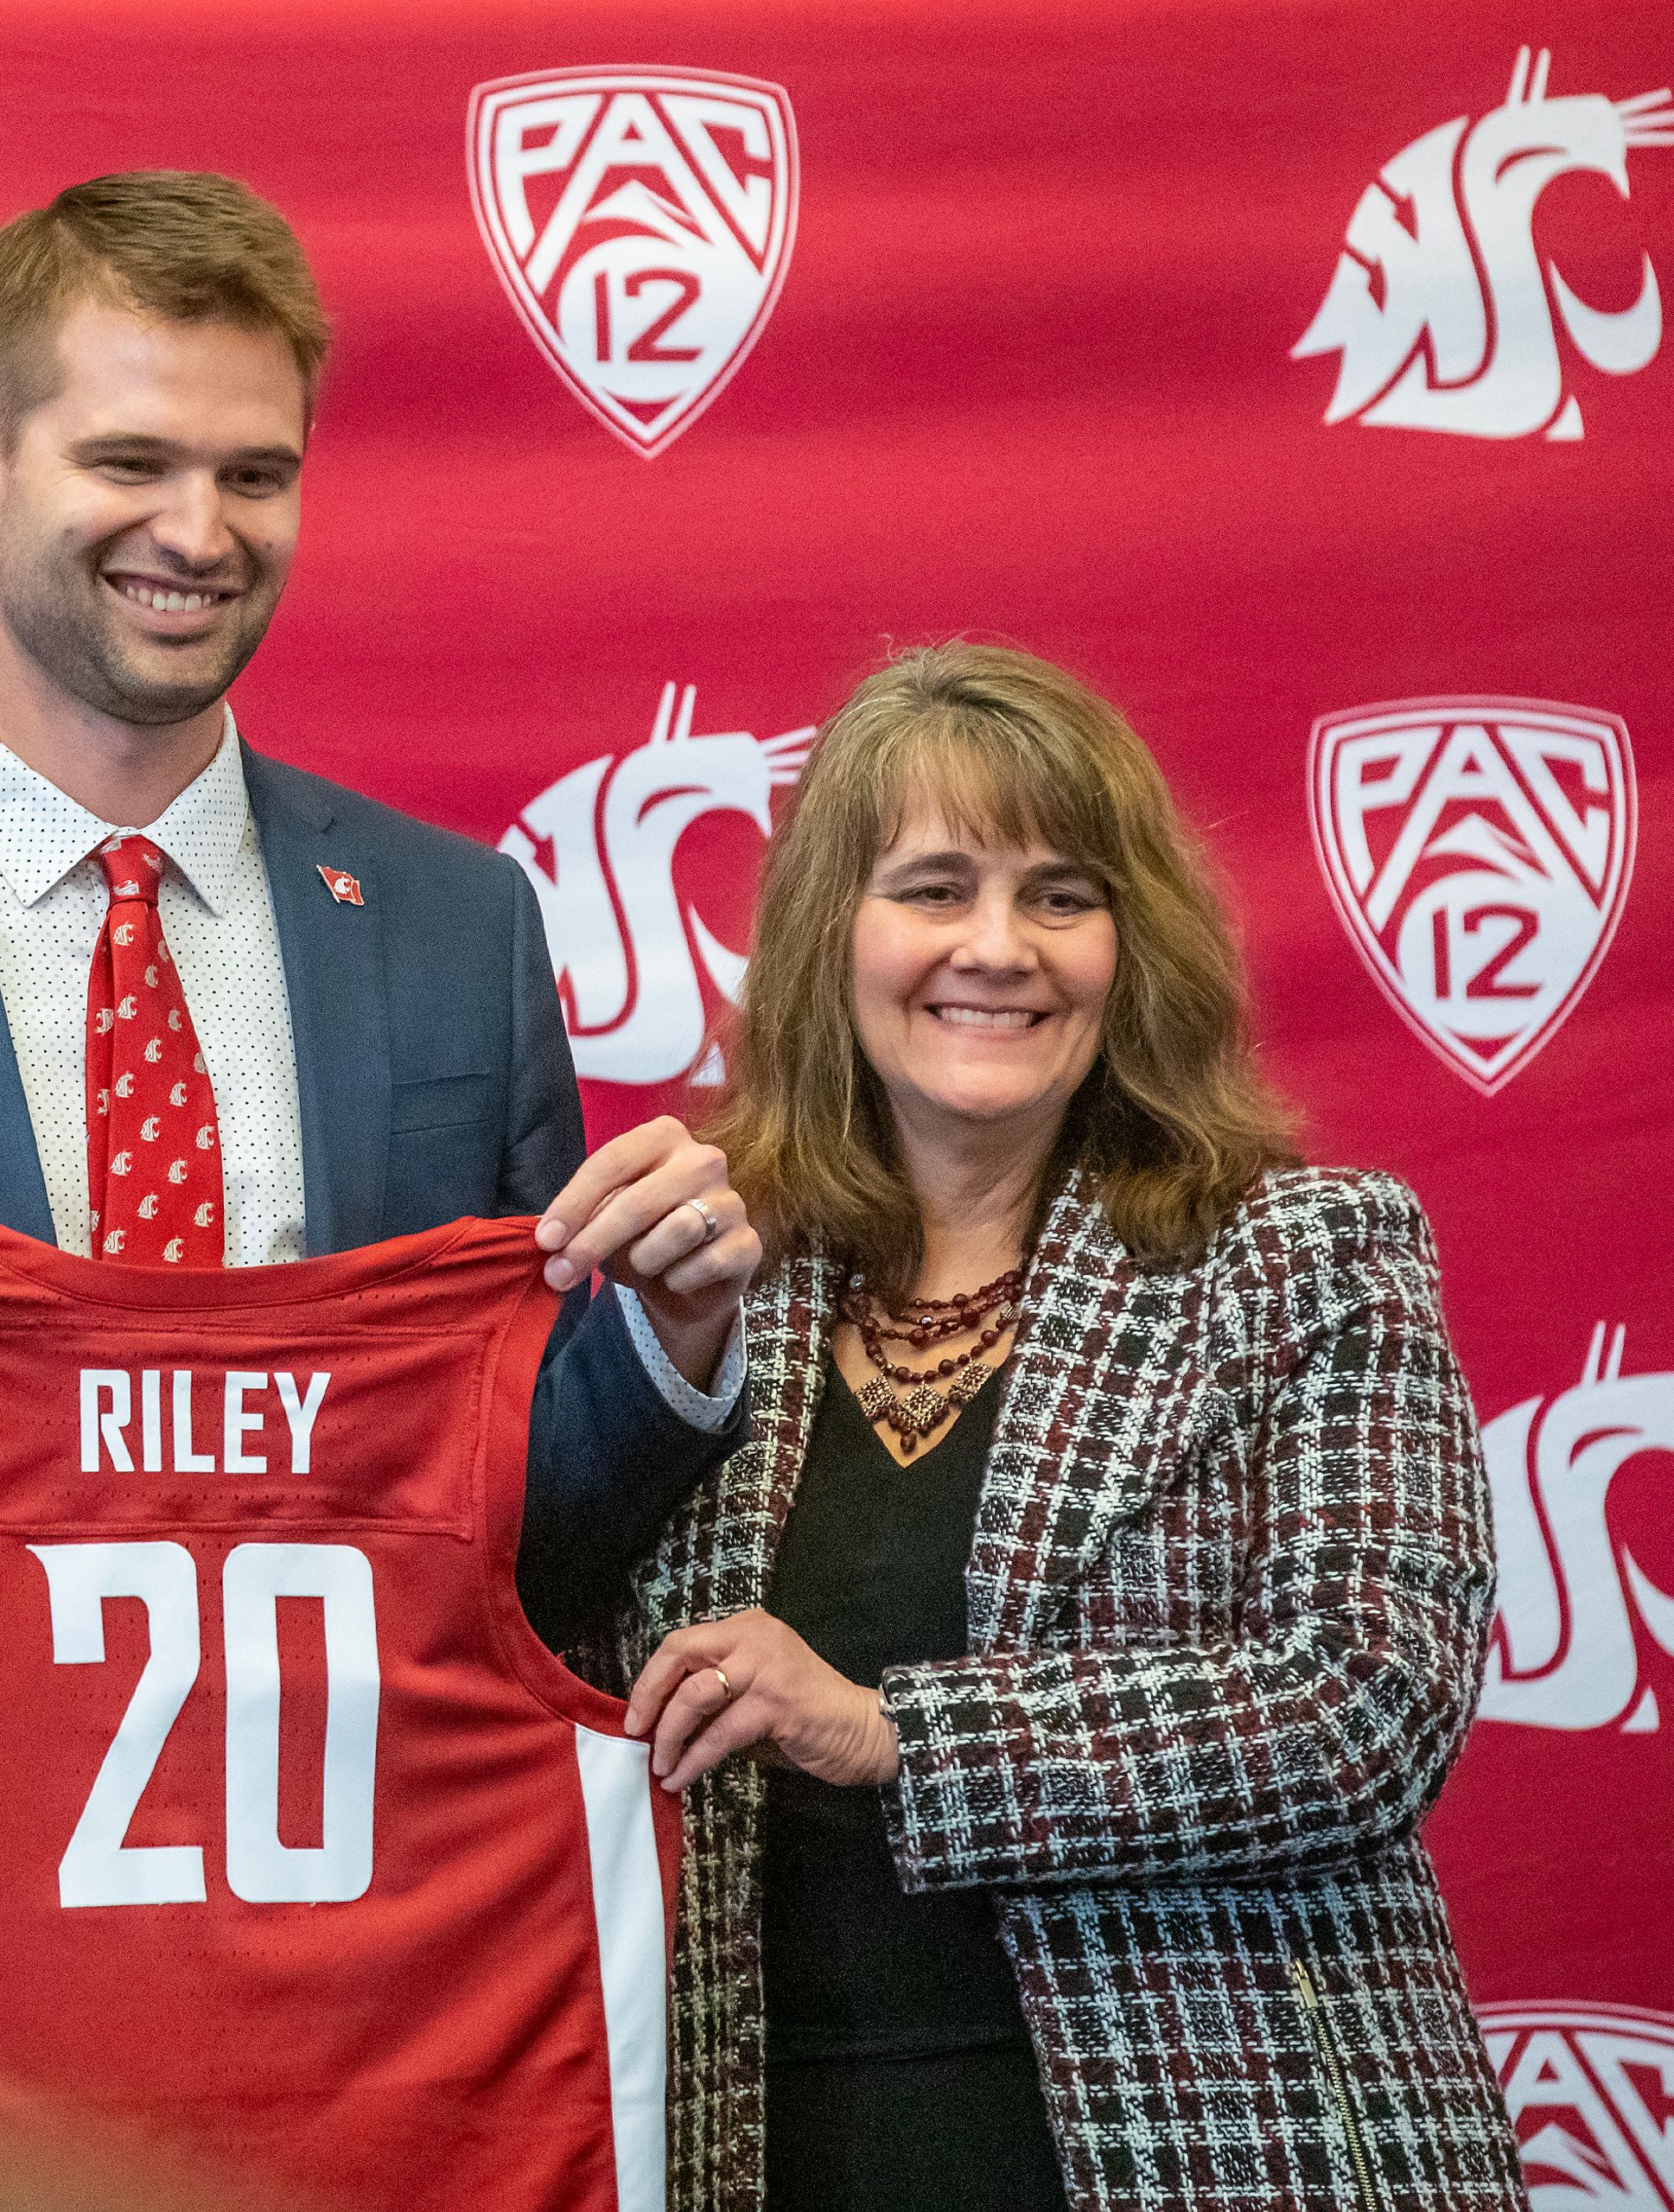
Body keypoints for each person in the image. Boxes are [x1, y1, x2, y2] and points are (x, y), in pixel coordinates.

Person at [0, 169, 758, 2122]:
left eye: (254, 474)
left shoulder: (462, 929)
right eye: (129, 459)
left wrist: (680, 1350)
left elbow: (522, 1533)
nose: (196, 533)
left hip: (369, 1994)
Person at [615, 642, 1528, 2212]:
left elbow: (1369, 1708)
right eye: (934, 887)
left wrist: (899, 1730)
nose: (1000, 947)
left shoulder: (1305, 1255)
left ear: (1132, 946)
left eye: (1060, 895)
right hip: (771, 2148)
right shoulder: (712, 1294)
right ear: (829, 932)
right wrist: (638, 1365)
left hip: (1232, 2153)